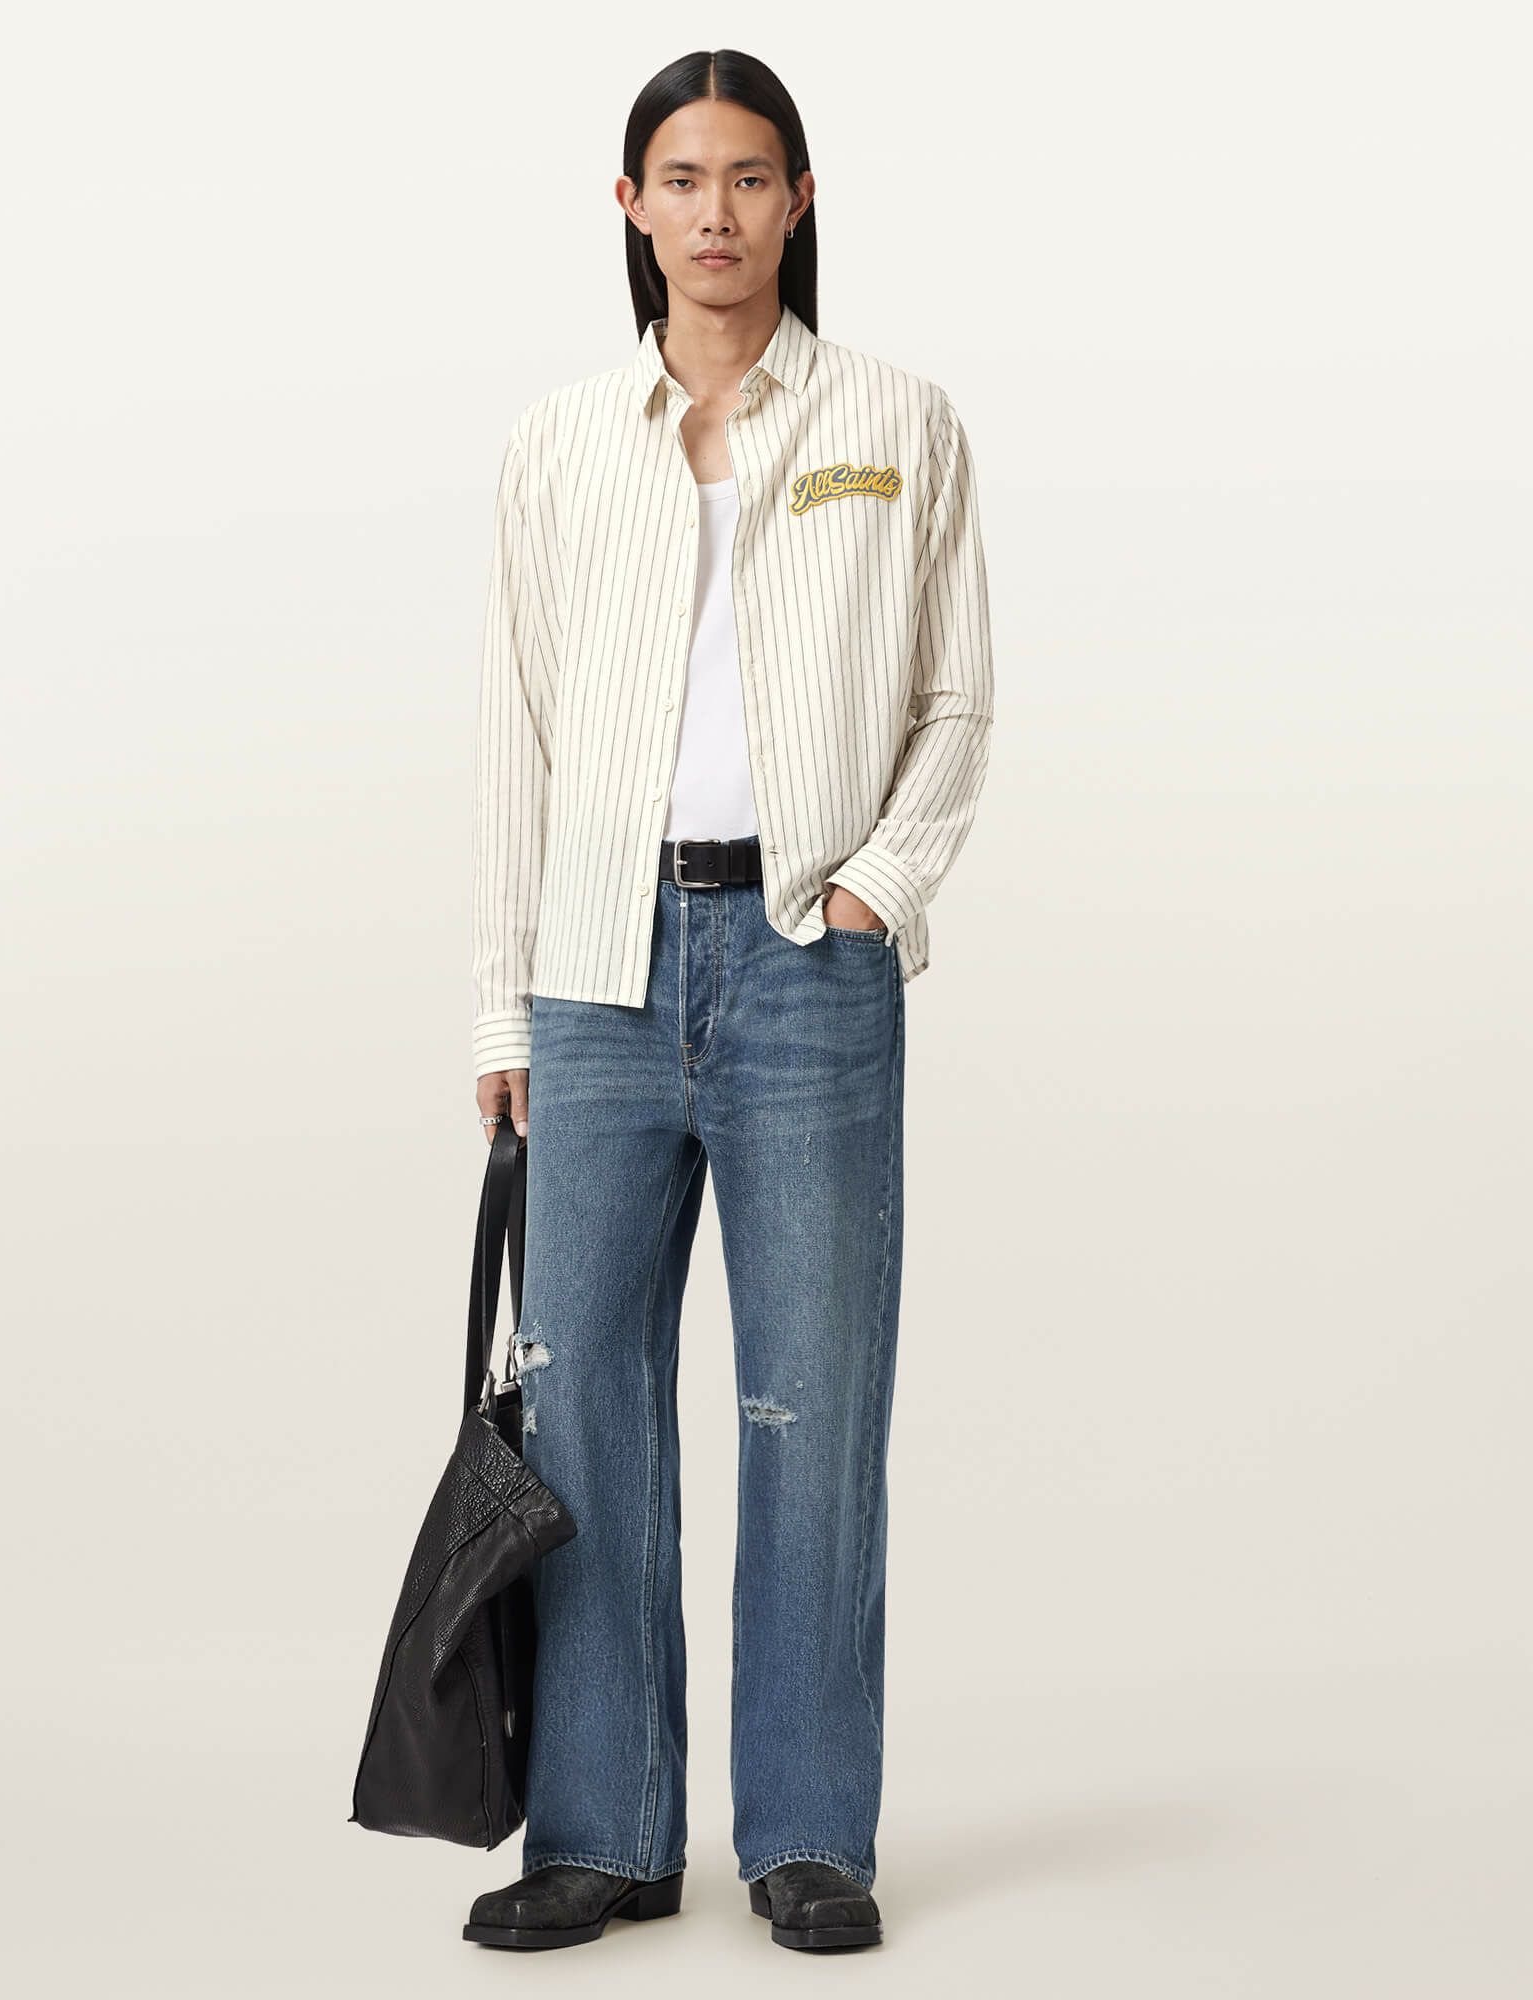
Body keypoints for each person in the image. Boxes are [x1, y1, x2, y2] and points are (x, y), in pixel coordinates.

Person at [462, 47, 994, 1954]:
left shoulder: (897, 423)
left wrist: (870, 897)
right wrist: (504, 1011)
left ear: (800, 200)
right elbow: (514, 743)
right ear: (630, 208)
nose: (715, 212)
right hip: (596, 972)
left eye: (750, 178)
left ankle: (810, 1835)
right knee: (585, 1411)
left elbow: (954, 701)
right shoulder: (557, 444)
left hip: (804, 970)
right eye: (680, 180)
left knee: (810, 1405)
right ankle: (603, 1831)